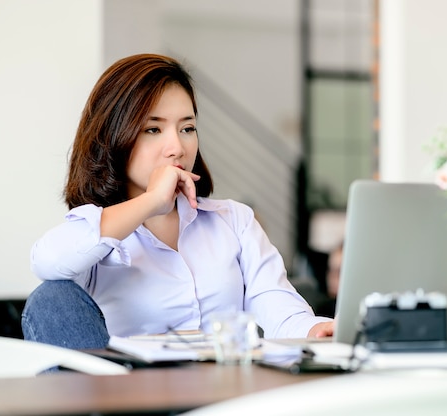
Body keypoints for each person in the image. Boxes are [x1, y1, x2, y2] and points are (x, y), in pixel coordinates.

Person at [21, 53, 334, 350]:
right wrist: (151, 201)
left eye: (187, 128)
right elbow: (47, 263)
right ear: (114, 137)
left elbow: (278, 305)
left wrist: (313, 330)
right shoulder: (99, 234)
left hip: (222, 391)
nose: (177, 147)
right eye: (153, 129)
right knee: (50, 297)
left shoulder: (234, 221)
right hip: (129, 393)